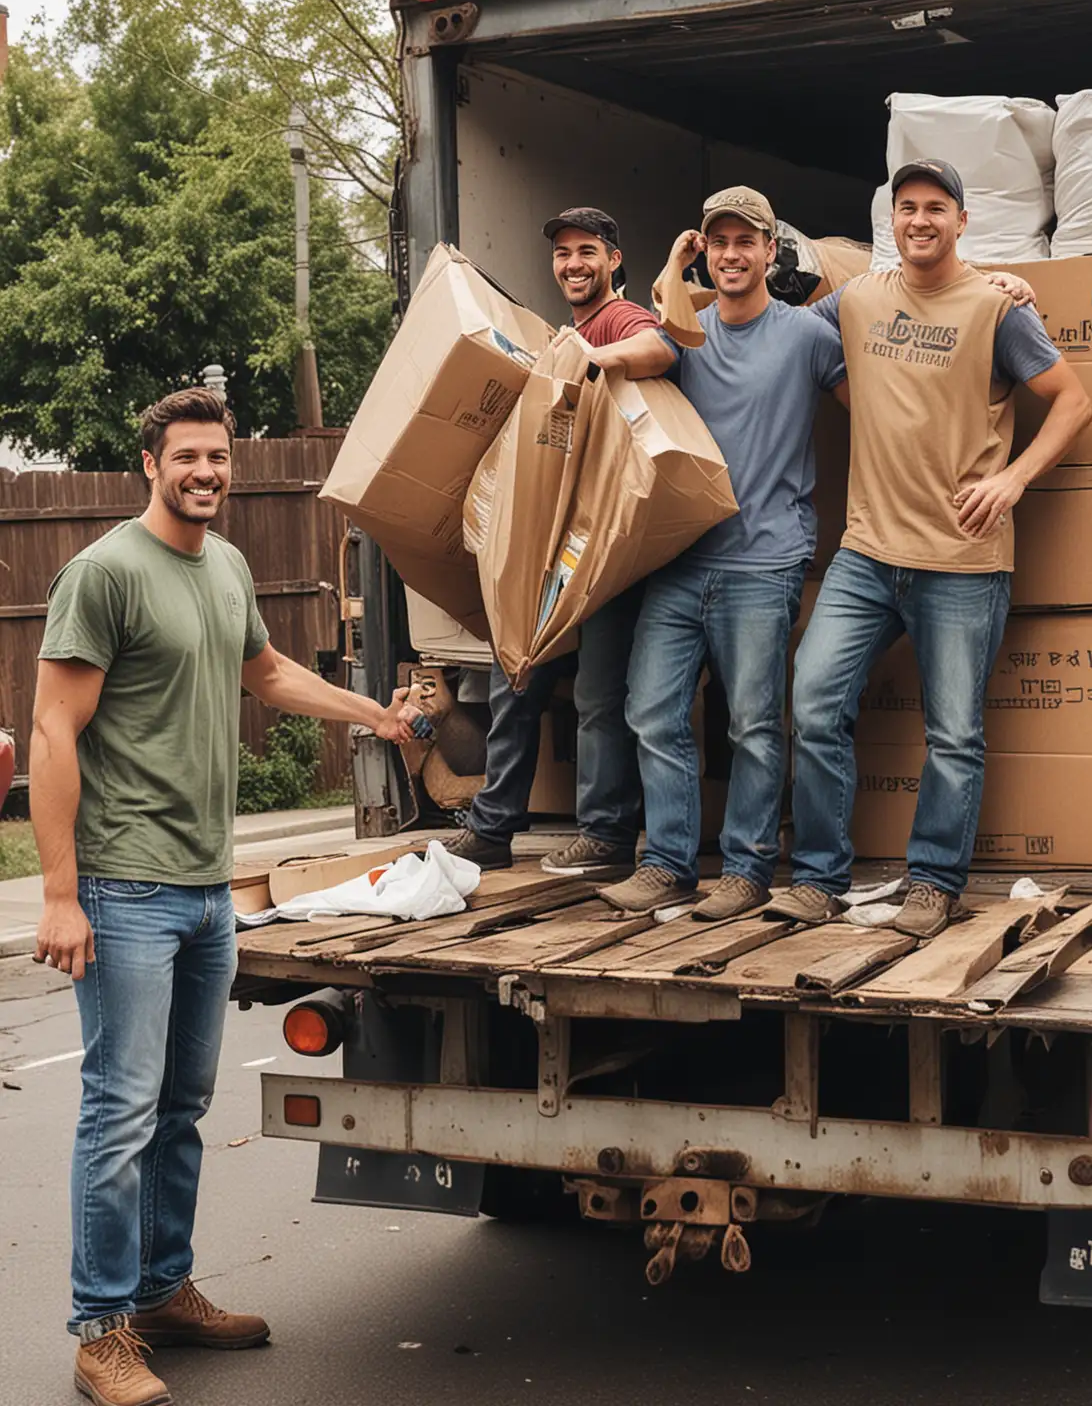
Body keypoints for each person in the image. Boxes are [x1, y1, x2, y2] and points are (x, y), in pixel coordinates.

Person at [30, 387, 419, 1406]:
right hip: (123, 887)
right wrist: (61, 894)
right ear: (150, 463)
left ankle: (162, 1293)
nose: (206, 472)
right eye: (188, 457)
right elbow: (52, 731)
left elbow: (272, 671)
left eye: (219, 457)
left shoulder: (229, 566)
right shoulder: (105, 573)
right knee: (119, 1112)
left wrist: (375, 715)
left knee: (180, 1108)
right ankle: (100, 1330)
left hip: (205, 888)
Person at [772, 159, 1092, 938]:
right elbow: (781, 333)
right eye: (907, 208)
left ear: (961, 220)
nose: (920, 220)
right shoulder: (860, 298)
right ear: (892, 220)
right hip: (866, 553)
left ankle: (933, 882)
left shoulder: (996, 308)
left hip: (961, 560)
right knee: (814, 703)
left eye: (936, 208)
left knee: (953, 732)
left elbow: (1073, 401)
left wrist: (1014, 479)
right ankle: (819, 878)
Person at [571, 187, 848, 919]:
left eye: (745, 241)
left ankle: (747, 870)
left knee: (753, 726)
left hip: (765, 561)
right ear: (705, 252)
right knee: (652, 711)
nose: (731, 254)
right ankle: (666, 864)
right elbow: (644, 343)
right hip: (680, 559)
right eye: (717, 242)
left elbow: (881, 404)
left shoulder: (809, 336)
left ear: (767, 252)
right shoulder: (683, 333)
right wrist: (602, 344)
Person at [442, 207, 658, 878]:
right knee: (516, 679)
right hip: (555, 546)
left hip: (608, 548)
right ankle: (494, 826)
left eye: (586, 250)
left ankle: (607, 836)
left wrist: (594, 357)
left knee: (598, 696)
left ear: (614, 260)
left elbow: (660, 348)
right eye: (563, 253)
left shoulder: (616, 323)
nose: (572, 264)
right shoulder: (557, 335)